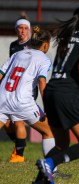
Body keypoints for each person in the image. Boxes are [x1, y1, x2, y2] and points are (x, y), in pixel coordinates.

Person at [33, 7, 79, 184]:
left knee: (61, 144)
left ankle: (40, 180)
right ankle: (50, 162)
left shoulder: (65, 37)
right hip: (66, 92)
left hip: (51, 91)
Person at [0, 26, 55, 166]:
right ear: (45, 44)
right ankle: (50, 168)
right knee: (49, 131)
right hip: (22, 101)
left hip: (3, 98)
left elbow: (1, 74)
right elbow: (42, 81)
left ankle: (18, 157)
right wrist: (48, 106)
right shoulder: (44, 59)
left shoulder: (17, 54)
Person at [4, 17, 31, 163]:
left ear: (29, 30)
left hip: (25, 89)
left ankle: (18, 155)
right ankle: (19, 145)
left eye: (25, 28)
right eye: (20, 28)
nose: (22, 31)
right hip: (12, 88)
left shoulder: (33, 45)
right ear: (16, 30)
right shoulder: (14, 45)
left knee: (18, 121)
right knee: (8, 124)